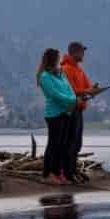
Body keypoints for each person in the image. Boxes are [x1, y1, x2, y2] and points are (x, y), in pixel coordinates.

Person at [37, 48, 83, 185]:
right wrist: (73, 100)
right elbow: (54, 95)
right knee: (53, 145)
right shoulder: (44, 77)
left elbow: (69, 90)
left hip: (66, 112)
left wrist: (74, 99)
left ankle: (58, 173)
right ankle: (47, 174)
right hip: (54, 115)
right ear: (53, 59)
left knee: (63, 145)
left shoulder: (61, 74)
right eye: (58, 57)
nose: (60, 60)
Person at [61, 42, 101, 183]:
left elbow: (87, 88)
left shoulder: (79, 70)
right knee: (69, 142)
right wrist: (87, 92)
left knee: (77, 143)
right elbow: (68, 91)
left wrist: (94, 90)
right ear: (75, 53)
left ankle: (72, 170)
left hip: (79, 110)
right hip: (69, 110)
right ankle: (67, 173)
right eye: (82, 52)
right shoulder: (65, 69)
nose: (83, 54)